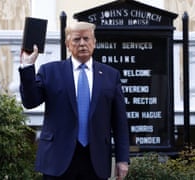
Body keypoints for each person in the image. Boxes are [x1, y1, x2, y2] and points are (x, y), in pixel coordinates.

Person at [19, 21, 130, 180]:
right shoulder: (50, 72)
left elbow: (120, 122)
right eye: (77, 39)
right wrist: (28, 67)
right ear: (67, 44)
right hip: (58, 159)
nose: (82, 44)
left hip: (95, 160)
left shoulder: (110, 76)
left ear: (94, 43)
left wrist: (122, 159)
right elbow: (30, 101)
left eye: (87, 39)